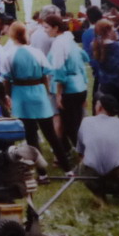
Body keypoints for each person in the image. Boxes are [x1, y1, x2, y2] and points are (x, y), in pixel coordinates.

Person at [3, 22, 71, 181]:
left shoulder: (9, 54)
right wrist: (45, 92)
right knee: (51, 134)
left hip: (20, 95)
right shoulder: (36, 52)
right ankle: (67, 169)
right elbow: (46, 75)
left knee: (31, 136)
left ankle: (42, 174)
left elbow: (6, 79)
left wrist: (8, 96)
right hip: (39, 92)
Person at [44, 14, 89, 151]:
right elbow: (84, 58)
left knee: (71, 127)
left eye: (47, 27)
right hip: (80, 86)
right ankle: (83, 151)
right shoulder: (70, 40)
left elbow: (59, 70)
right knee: (78, 123)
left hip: (69, 90)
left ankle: (84, 155)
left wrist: (58, 94)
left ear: (55, 28)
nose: (45, 31)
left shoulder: (59, 43)